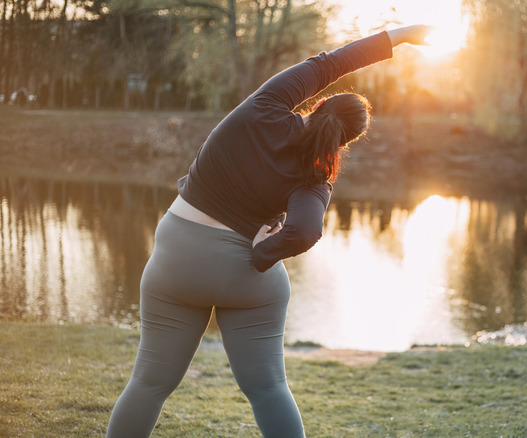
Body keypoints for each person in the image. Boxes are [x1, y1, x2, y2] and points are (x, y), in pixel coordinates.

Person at [105, 25, 431, 438]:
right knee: (268, 388)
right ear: (345, 142)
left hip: (177, 260)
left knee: (149, 384)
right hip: (247, 274)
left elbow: (332, 63)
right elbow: (306, 231)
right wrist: (263, 253)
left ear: (320, 101)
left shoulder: (267, 105)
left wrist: (398, 36)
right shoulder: (317, 175)